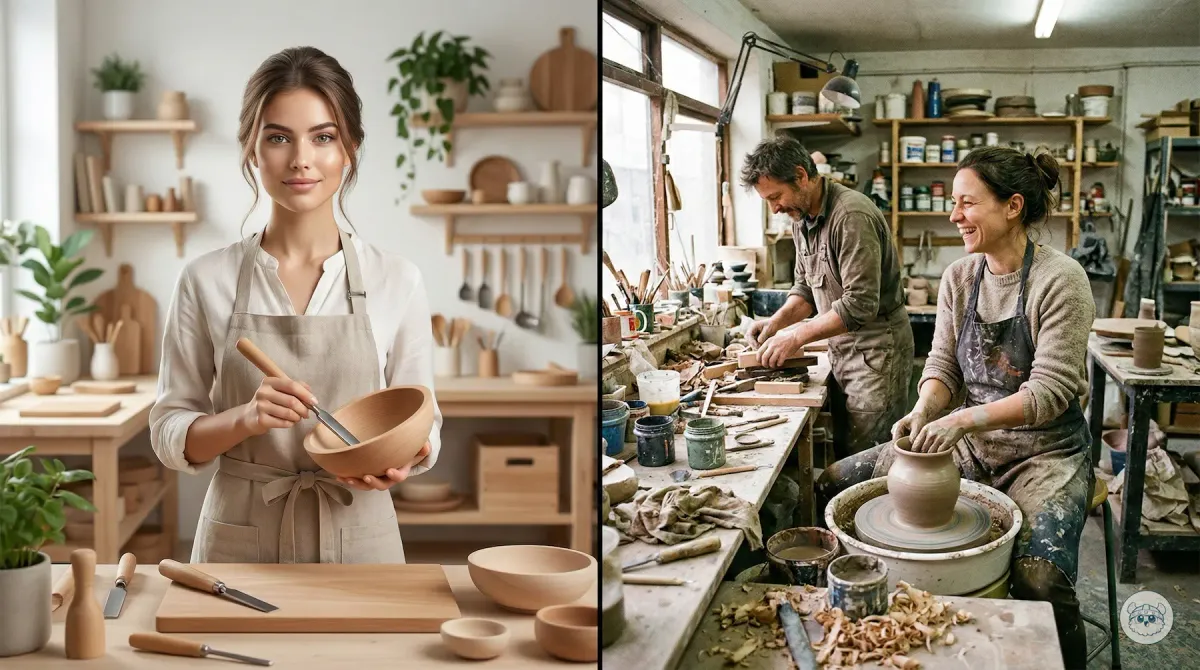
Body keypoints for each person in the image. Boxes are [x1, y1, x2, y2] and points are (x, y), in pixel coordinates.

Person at [149, 46, 442, 564]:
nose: (301, 158)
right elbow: (170, 434)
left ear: (349, 149)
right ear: (251, 150)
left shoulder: (397, 279)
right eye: (279, 137)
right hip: (239, 540)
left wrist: (407, 455)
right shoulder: (205, 279)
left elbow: (425, 421)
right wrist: (245, 419)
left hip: (361, 539)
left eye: (323, 137)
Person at [815, 146, 1095, 667]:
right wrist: (925, 409)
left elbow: (1050, 392)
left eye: (967, 203)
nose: (953, 214)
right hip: (967, 449)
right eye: (952, 202)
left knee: (1040, 578)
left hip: (1044, 455)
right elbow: (943, 366)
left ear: (1012, 207)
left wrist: (961, 419)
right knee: (834, 482)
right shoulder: (960, 278)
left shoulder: (1061, 280)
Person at [742, 136, 913, 456]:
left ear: (801, 176)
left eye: (776, 196)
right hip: (842, 348)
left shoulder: (851, 216)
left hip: (877, 351)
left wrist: (795, 339)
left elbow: (860, 304)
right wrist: (775, 324)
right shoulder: (801, 219)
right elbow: (806, 290)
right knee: (847, 448)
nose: (775, 208)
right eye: (767, 200)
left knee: (870, 457)